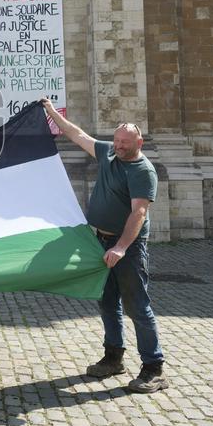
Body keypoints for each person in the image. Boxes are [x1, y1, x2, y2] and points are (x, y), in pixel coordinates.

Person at [40, 99, 167, 394]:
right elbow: (78, 135)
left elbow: (139, 212)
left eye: (125, 142)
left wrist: (121, 247)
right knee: (107, 301)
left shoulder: (143, 171)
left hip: (128, 247)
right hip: (100, 242)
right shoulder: (108, 153)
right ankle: (113, 358)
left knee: (138, 307)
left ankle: (154, 368)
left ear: (139, 142)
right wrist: (50, 112)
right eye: (117, 140)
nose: (119, 146)